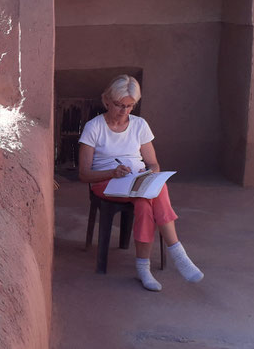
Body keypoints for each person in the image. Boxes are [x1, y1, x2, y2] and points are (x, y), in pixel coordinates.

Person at [77, 75, 203, 291]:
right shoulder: (94, 127)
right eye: (119, 105)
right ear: (107, 100)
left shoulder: (140, 125)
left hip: (135, 182)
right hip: (107, 183)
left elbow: (154, 163)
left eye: (130, 106)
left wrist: (148, 174)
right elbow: (84, 174)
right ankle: (176, 252)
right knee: (153, 193)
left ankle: (144, 267)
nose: (125, 111)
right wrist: (112, 173)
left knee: (149, 198)